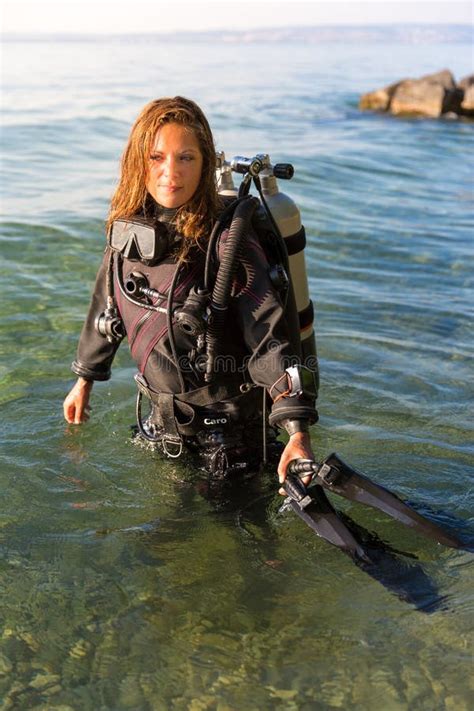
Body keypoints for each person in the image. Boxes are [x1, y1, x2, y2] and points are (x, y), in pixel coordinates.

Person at [63, 96, 318, 490]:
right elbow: (107, 309)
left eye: (186, 158)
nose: (171, 173)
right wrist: (85, 380)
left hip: (230, 434)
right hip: (160, 420)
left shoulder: (228, 241)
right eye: (157, 157)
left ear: (204, 165)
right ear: (137, 161)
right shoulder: (128, 230)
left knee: (238, 538)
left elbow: (269, 336)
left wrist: (297, 431)